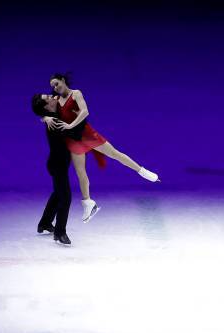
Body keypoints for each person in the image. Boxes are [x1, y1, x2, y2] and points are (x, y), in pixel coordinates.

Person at [42, 73, 160, 222]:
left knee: (115, 154)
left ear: (63, 81)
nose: (55, 87)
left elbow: (85, 111)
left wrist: (70, 125)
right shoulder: (56, 99)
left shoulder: (76, 93)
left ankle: (142, 171)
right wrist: (45, 117)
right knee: (80, 172)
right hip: (73, 140)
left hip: (87, 133)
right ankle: (88, 203)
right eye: (52, 86)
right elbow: (41, 109)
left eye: (57, 83)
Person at [31, 93, 73, 245]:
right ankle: (60, 232)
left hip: (58, 163)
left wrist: (44, 117)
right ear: (47, 106)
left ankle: (45, 223)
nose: (52, 96)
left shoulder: (52, 115)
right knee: (66, 197)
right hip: (58, 165)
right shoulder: (54, 121)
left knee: (58, 194)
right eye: (49, 98)